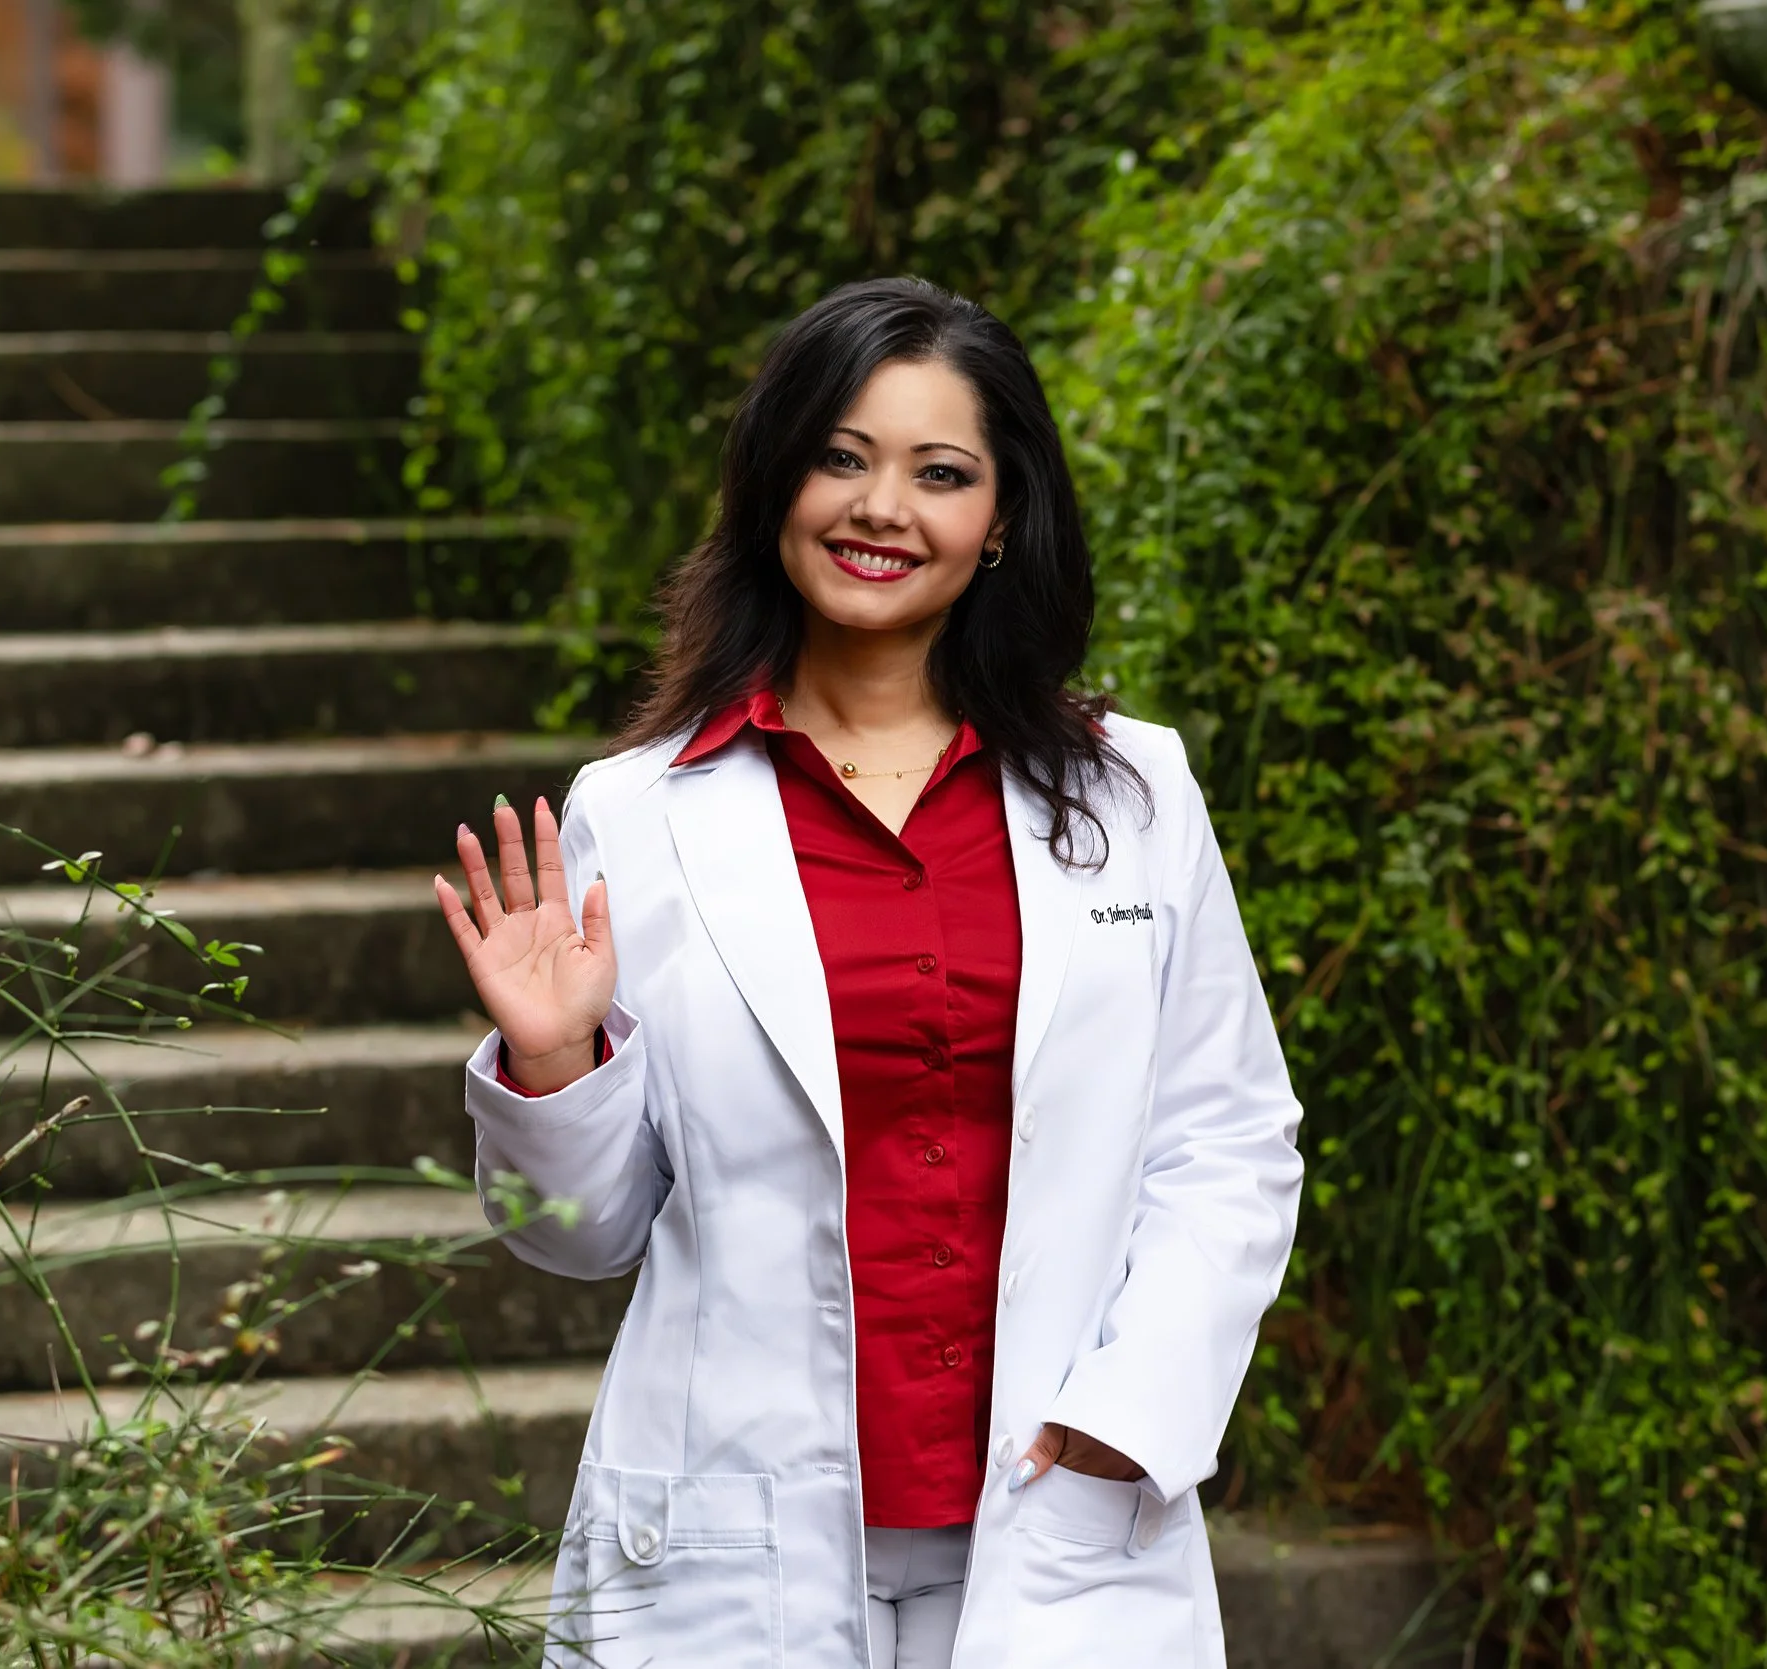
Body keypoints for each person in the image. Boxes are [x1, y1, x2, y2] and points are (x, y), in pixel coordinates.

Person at [434, 276, 1304, 1668]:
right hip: (727, 1541)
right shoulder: (641, 813)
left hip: (1060, 1526)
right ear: (777, 481)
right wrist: (554, 1067)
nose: (880, 507)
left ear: (1002, 517)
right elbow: (573, 1237)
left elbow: (1228, 1142)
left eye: (939, 472)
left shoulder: (1135, 794)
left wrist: (1127, 1419)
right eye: (841, 456)